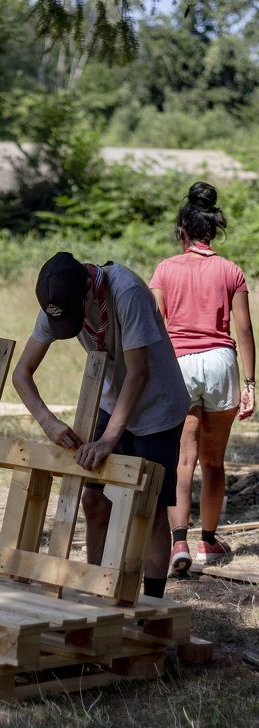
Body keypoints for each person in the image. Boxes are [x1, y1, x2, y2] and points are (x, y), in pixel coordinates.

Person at [12, 251, 190, 599]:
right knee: (93, 500)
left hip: (157, 406)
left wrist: (108, 440)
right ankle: (94, 594)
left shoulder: (127, 292)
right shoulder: (57, 303)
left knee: (149, 509)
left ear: (89, 292)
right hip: (113, 401)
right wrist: (48, 422)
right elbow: (21, 374)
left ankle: (152, 606)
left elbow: (139, 373)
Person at [150, 181, 256, 576]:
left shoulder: (165, 269)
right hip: (220, 363)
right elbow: (244, 329)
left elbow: (155, 325)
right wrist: (250, 383)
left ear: (182, 231)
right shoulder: (231, 271)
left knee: (183, 458)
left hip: (179, 364)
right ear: (212, 232)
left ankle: (178, 542)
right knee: (213, 461)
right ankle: (208, 541)